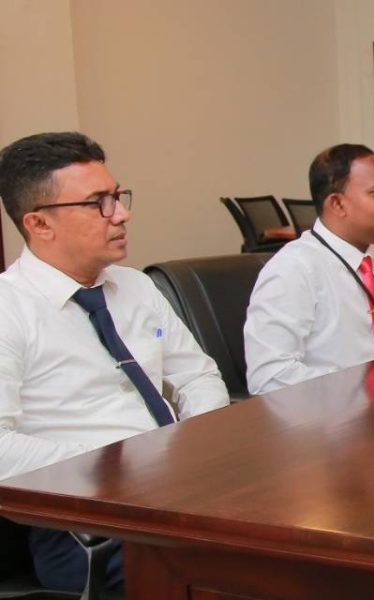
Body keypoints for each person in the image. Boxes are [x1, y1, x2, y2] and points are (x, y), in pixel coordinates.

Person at [0, 132, 230, 592]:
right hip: (87, 525)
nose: (121, 214)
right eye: (97, 204)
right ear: (39, 223)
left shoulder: (135, 287)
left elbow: (197, 375)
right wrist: (120, 465)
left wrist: (196, 448)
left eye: (118, 196)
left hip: (180, 491)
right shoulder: (9, 310)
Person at [244, 144, 374, 395]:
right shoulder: (293, 269)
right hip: (328, 415)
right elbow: (268, 378)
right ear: (337, 204)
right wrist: (361, 385)